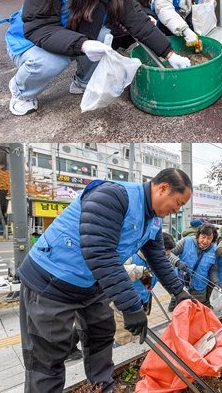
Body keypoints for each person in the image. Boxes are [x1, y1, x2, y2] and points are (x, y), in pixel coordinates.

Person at [17, 168, 194, 392]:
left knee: (101, 335)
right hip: (51, 280)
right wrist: (130, 305)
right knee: (47, 356)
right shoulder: (112, 197)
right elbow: (99, 252)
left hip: (92, 284)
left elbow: (158, 257)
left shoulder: (154, 220)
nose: (177, 210)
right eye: (177, 202)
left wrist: (178, 291)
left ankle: (103, 387)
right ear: (163, 188)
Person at [3, 0, 190, 116]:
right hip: (30, 39)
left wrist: (169, 54)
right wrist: (82, 44)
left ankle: (81, 81)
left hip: (71, 33)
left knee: (103, 37)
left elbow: (139, 23)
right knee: (53, 61)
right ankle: (21, 90)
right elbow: (39, 28)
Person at [113, 232, 176, 346]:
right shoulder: (131, 255)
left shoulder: (159, 260)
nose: (167, 254)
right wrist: (138, 270)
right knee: (124, 337)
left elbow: (169, 277)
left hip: (144, 302)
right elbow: (116, 271)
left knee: (138, 335)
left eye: (169, 252)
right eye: (165, 250)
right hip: (125, 305)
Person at [168, 223, 219, 310]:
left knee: (197, 310)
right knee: (182, 310)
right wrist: (177, 262)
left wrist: (216, 280)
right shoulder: (186, 241)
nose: (205, 241)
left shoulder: (214, 250)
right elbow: (169, 253)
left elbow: (213, 270)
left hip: (200, 287)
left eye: (209, 238)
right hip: (182, 284)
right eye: (203, 237)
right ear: (198, 235)